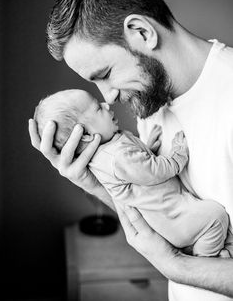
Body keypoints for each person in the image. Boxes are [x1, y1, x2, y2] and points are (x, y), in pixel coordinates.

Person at [28, 0, 233, 300]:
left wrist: (177, 268)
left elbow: (175, 257)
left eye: (104, 73)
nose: (107, 97)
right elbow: (156, 207)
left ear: (142, 32)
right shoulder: (149, 105)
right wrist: (93, 183)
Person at [34, 88, 230, 257]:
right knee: (215, 216)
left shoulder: (111, 148)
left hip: (171, 216)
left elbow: (137, 167)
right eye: (97, 108)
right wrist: (178, 154)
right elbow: (154, 171)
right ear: (85, 135)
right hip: (173, 219)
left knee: (210, 223)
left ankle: (208, 247)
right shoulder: (116, 157)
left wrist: (147, 147)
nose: (107, 104)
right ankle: (206, 257)